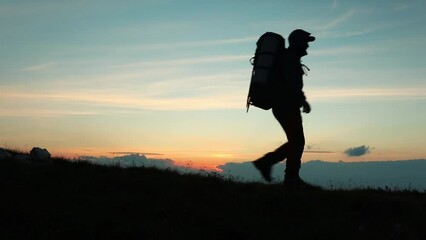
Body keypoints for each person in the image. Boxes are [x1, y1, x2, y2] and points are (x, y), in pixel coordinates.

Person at [253, 29, 316, 188]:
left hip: (285, 105)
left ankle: (275, 168)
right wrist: (303, 100)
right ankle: (287, 176)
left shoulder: (289, 57)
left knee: (296, 141)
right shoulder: (289, 58)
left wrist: (301, 100)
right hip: (286, 105)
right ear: (297, 42)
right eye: (305, 42)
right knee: (297, 141)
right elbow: (291, 83)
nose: (307, 46)